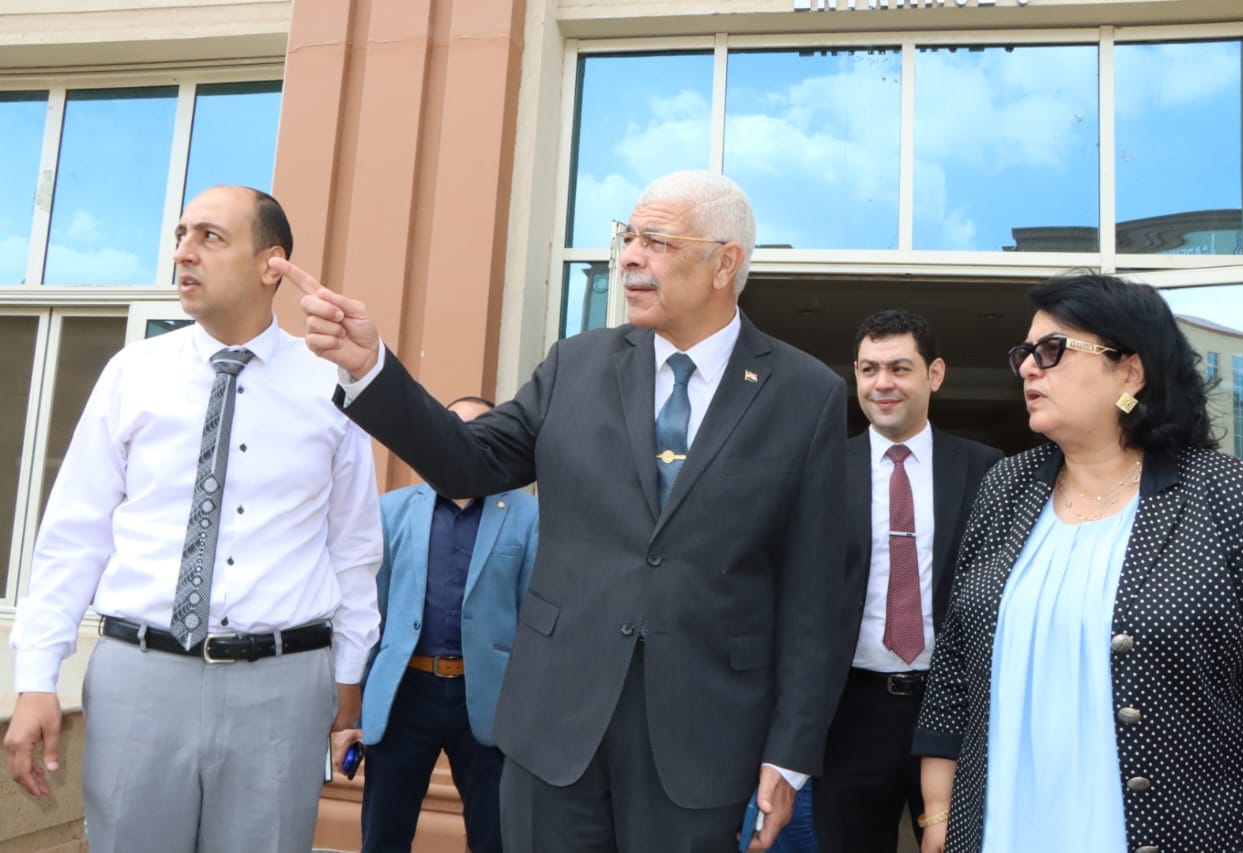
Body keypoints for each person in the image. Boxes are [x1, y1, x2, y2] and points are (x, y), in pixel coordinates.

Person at [273, 169, 850, 852]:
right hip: (555, 731)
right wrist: (371, 368)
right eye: (628, 237)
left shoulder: (804, 394)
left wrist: (789, 755)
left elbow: (816, 596)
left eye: (657, 241)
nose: (631, 257)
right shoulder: (577, 365)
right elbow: (466, 463)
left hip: (704, 742)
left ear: (725, 263)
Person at [3, 185, 383, 853]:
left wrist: (347, 679)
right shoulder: (133, 373)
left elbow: (353, 549)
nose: (183, 252)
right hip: (139, 678)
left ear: (271, 264)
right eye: (181, 235)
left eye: (210, 237)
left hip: (282, 687)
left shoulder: (331, 384)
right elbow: (73, 536)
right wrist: (36, 678)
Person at [913, 273, 1243, 853]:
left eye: (1051, 350)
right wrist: (937, 813)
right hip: (1005, 829)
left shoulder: (1237, 497)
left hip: (1181, 831)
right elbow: (956, 662)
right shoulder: (1004, 489)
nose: (1028, 367)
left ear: (1130, 372)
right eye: (1024, 353)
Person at [815, 310, 1000, 853]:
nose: (882, 384)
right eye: (869, 369)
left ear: (934, 374)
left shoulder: (988, 471)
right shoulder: (822, 468)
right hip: (850, 712)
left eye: (899, 368)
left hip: (954, 706)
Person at [333, 395, 538, 853]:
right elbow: (369, 613)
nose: (461, 440)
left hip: (489, 701)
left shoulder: (528, 517)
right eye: (451, 428)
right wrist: (353, 712)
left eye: (477, 431)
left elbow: (534, 622)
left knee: (495, 838)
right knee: (384, 835)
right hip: (405, 695)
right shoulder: (391, 511)